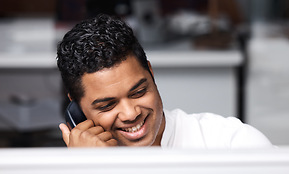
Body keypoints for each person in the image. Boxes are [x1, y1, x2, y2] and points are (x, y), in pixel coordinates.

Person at [57, 14, 272, 148]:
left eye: (139, 92)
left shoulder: (233, 144)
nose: (131, 114)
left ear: (150, 73)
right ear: (77, 107)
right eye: (107, 105)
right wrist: (86, 172)